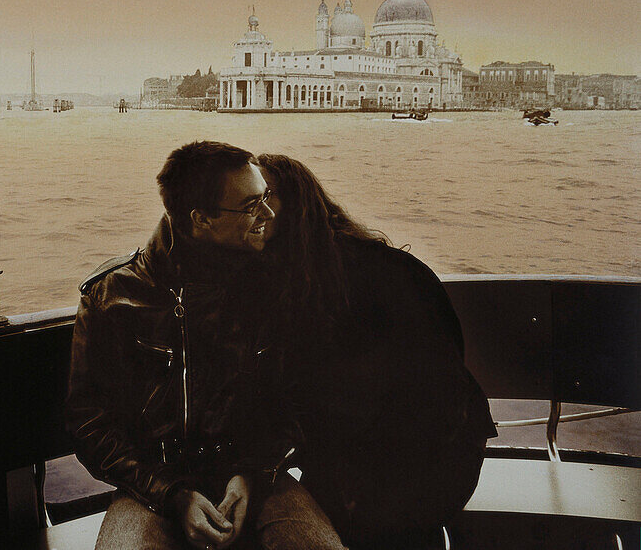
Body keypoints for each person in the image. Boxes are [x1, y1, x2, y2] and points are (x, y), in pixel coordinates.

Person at [67, 141, 345, 550]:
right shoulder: (114, 296)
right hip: (150, 486)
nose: (268, 214)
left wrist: (251, 473)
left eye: (265, 197)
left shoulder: (272, 285)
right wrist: (173, 495)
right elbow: (90, 424)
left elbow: (299, 397)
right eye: (251, 204)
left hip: (256, 475)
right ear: (202, 219)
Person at [253, 154, 497, 549]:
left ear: (295, 204)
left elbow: (345, 398)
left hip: (405, 469)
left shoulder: (316, 282)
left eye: (264, 198)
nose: (254, 212)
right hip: (451, 454)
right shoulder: (376, 261)